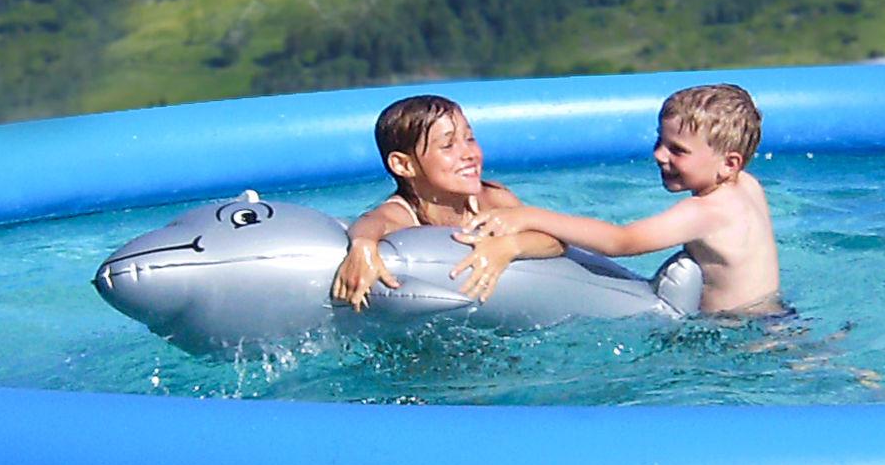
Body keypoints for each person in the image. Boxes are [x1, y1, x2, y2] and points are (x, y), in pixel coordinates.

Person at [461, 83, 781, 317]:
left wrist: (529, 216)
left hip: (735, 335)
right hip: (775, 315)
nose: (659, 155)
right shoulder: (747, 186)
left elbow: (622, 241)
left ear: (729, 163)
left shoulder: (705, 212)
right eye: (660, 141)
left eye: (677, 150)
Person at [328, 94, 564, 309]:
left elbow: (555, 240)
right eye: (448, 145)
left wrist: (510, 246)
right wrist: (363, 246)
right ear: (404, 165)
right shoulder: (404, 213)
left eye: (470, 139)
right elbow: (372, 221)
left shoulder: (492, 199)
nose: (470, 154)